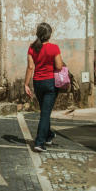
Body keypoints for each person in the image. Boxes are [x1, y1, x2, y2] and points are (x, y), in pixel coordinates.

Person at [24, 22, 63, 152]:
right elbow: (58, 66)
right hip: (50, 83)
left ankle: (49, 135)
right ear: (49, 35)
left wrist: (26, 84)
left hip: (37, 83)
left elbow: (30, 67)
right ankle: (39, 142)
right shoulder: (54, 48)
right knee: (45, 113)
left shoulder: (32, 48)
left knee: (45, 112)